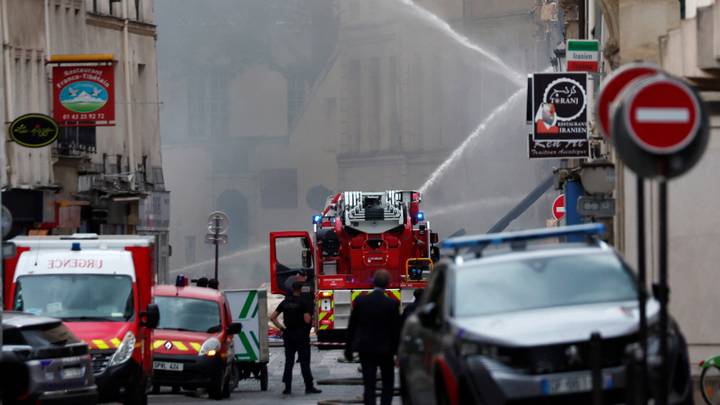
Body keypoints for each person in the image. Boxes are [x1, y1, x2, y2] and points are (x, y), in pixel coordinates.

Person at [345, 269, 401, 405]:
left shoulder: (360, 302)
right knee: (387, 384)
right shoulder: (392, 304)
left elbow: (352, 326)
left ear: (372, 282)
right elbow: (396, 331)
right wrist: (398, 353)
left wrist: (349, 350)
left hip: (366, 349)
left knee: (369, 385)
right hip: (385, 351)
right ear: (387, 284)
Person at [270, 281, 322, 395]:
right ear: (301, 289)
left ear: (292, 289)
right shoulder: (303, 302)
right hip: (301, 335)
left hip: (288, 335)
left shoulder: (284, 302)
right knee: (304, 362)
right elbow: (307, 320)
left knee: (289, 362)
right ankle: (309, 386)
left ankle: (287, 388)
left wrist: (282, 329)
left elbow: (272, 317)